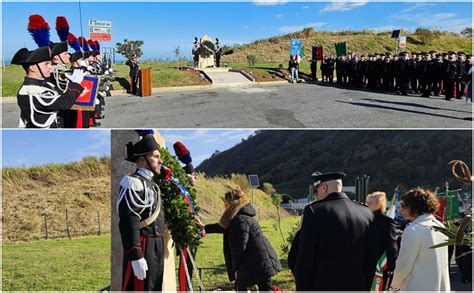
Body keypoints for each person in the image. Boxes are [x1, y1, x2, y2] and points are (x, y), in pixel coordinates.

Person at [294, 171, 375, 291]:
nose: (316, 195)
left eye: (317, 190)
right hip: (358, 285)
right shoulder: (366, 212)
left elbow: (305, 259)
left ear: (324, 187)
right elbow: (371, 257)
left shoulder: (314, 211)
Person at [204, 188, 281, 291]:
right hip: (260, 260)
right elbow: (223, 227)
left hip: (258, 261)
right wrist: (204, 228)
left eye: (225, 202)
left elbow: (239, 247)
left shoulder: (238, 220)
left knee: (243, 287)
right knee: (264, 288)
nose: (224, 205)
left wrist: (236, 269)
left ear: (231, 203)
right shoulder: (241, 216)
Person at [117, 134, 166, 291]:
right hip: (143, 244)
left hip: (156, 244)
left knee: (155, 288)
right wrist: (136, 254)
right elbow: (128, 220)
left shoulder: (152, 185)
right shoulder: (133, 183)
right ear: (143, 160)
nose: (160, 161)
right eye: (156, 157)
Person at [391, 188, 450, 291]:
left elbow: (403, 267)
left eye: (404, 206)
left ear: (414, 207)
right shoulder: (440, 226)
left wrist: (393, 286)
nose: (401, 209)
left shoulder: (413, 230)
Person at [366, 192, 399, 290]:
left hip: (380, 263)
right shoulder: (365, 217)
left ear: (378, 204)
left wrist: (391, 267)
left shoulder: (387, 221)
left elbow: (391, 245)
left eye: (370, 203)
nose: (366, 205)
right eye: (366, 202)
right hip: (367, 262)